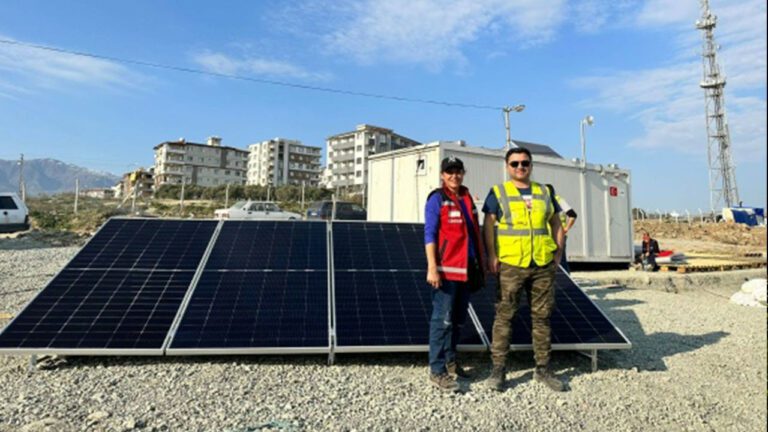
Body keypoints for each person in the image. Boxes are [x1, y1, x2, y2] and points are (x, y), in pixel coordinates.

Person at [483, 147, 566, 392]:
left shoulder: (545, 191)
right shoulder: (498, 192)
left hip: (542, 263)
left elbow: (556, 222)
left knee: (542, 318)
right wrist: (492, 254)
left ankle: (543, 369)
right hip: (511, 264)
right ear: (507, 166)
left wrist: (558, 252)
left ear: (531, 165)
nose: (520, 167)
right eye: (515, 164)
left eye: (525, 163)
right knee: (504, 316)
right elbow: (488, 224)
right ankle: (498, 371)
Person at [424, 156, 484, 392]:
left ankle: (451, 363)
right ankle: (436, 370)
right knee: (442, 321)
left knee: (457, 320)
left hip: (467, 270)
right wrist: (432, 267)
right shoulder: (437, 199)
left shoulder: (467, 198)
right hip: (446, 271)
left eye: (458, 171)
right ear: (442, 175)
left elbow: (474, 234)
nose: (454, 176)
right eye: (449, 172)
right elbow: (429, 234)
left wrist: (483, 261)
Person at [547, 187, 577, 273]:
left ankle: (566, 282)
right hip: (550, 235)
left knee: (561, 260)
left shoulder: (557, 200)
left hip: (557, 234)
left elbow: (572, 215)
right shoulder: (551, 200)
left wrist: (566, 228)